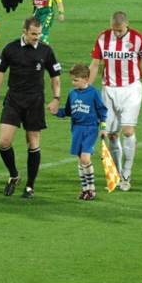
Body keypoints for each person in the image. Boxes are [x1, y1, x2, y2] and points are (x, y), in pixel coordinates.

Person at [0, 16, 62, 199]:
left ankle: (30, 185)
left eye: (39, 33)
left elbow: (55, 77)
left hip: (35, 102)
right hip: (14, 99)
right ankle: (14, 175)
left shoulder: (46, 51)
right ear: (25, 32)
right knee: (3, 142)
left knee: (33, 143)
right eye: (33, 34)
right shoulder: (10, 48)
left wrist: (56, 98)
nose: (37, 37)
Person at [88, 11, 142, 191]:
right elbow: (95, 65)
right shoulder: (103, 38)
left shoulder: (138, 39)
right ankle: (117, 174)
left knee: (127, 131)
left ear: (127, 25)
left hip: (131, 89)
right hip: (109, 89)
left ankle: (126, 173)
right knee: (111, 134)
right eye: (114, 30)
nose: (117, 33)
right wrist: (86, 88)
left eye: (119, 30)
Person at [54, 63, 107, 201]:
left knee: (85, 158)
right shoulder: (72, 93)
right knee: (80, 161)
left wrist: (103, 128)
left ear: (86, 79)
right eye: (72, 79)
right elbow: (68, 111)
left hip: (90, 128)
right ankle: (84, 190)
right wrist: (56, 112)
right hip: (77, 128)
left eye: (76, 80)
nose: (73, 82)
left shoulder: (94, 92)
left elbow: (102, 110)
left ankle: (91, 188)